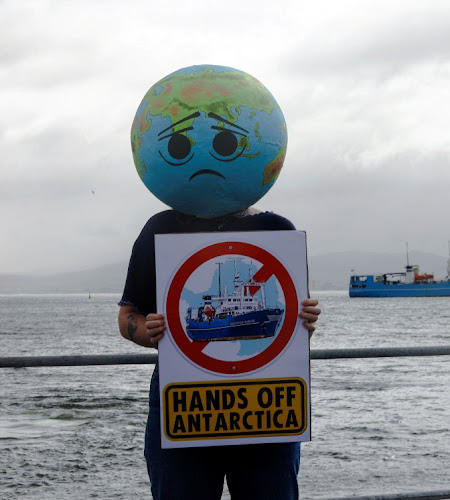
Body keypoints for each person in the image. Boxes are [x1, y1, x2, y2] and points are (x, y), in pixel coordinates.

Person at [118, 65, 320, 499]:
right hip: (184, 400)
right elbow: (127, 316)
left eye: (227, 141)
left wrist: (306, 317)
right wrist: (145, 329)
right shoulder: (158, 231)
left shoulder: (278, 232)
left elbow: (295, 321)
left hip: (267, 402)